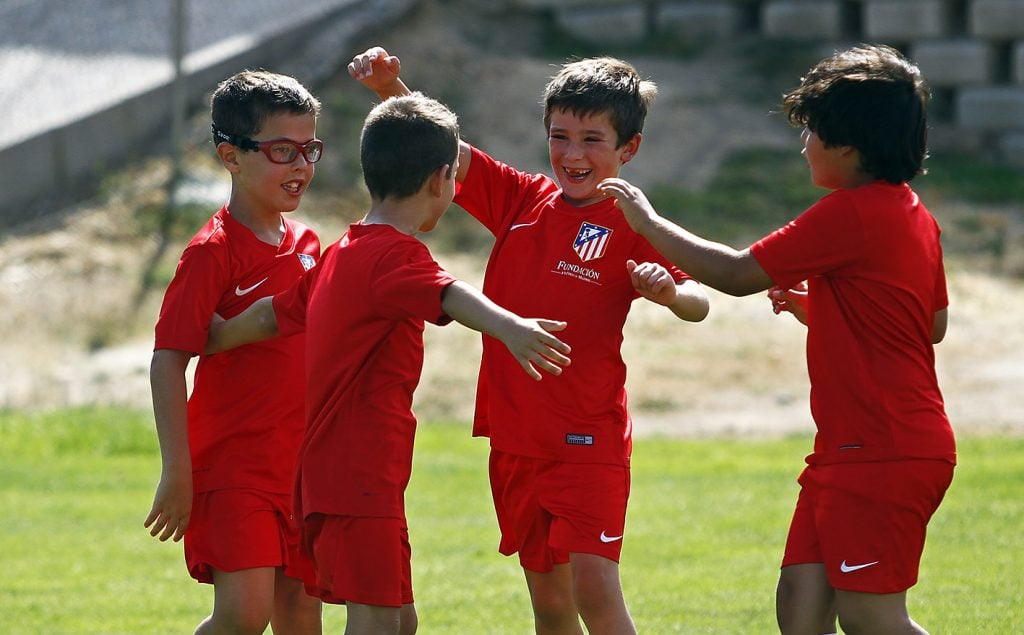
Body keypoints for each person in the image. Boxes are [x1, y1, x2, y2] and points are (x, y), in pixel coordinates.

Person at [349, 47, 709, 634]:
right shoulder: (522, 199)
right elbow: (446, 152)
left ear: (629, 149)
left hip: (587, 438)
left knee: (594, 587)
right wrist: (390, 87)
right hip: (516, 439)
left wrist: (670, 292)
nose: (572, 153)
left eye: (592, 139)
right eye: (560, 135)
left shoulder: (635, 222)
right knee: (549, 603)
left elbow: (699, 303)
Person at [598, 44, 955, 634]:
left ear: (848, 144)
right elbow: (928, 325)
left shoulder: (851, 214)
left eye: (812, 132)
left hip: (881, 448)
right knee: (801, 604)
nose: (804, 144)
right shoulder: (913, 213)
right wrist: (825, 309)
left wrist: (648, 223)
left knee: (872, 617)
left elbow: (738, 274)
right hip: (858, 447)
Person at [207, 92, 573, 634]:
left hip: (337, 477)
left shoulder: (343, 252)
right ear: (441, 179)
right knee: (378, 624)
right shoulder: (394, 257)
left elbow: (272, 316)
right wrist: (511, 327)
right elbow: (450, 293)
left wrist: (213, 336)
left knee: (402, 622)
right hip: (359, 478)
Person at [143, 70, 324, 633]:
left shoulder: (308, 245)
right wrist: (178, 470)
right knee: (244, 616)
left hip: (299, 468)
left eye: (309, 149)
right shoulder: (211, 252)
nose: (301, 166)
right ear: (231, 155)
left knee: (300, 614)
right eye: (282, 151)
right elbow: (168, 359)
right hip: (233, 467)